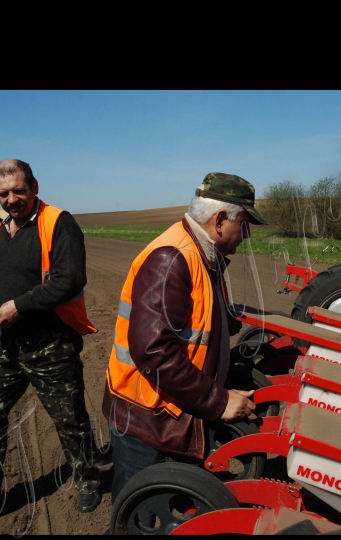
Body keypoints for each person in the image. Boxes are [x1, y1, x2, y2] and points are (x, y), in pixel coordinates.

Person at [0, 159, 107, 521]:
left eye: (19, 190)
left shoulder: (58, 223)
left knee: (70, 421)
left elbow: (70, 280)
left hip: (51, 345)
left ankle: (88, 482)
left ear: (34, 186)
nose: (12, 199)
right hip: (7, 346)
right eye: (4, 193)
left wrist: (20, 305)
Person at [102, 172, 269, 506]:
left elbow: (189, 325)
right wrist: (218, 401)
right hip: (148, 421)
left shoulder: (201, 254)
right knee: (141, 517)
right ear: (220, 220)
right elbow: (154, 351)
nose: (246, 236)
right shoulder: (172, 259)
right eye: (245, 225)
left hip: (169, 409)